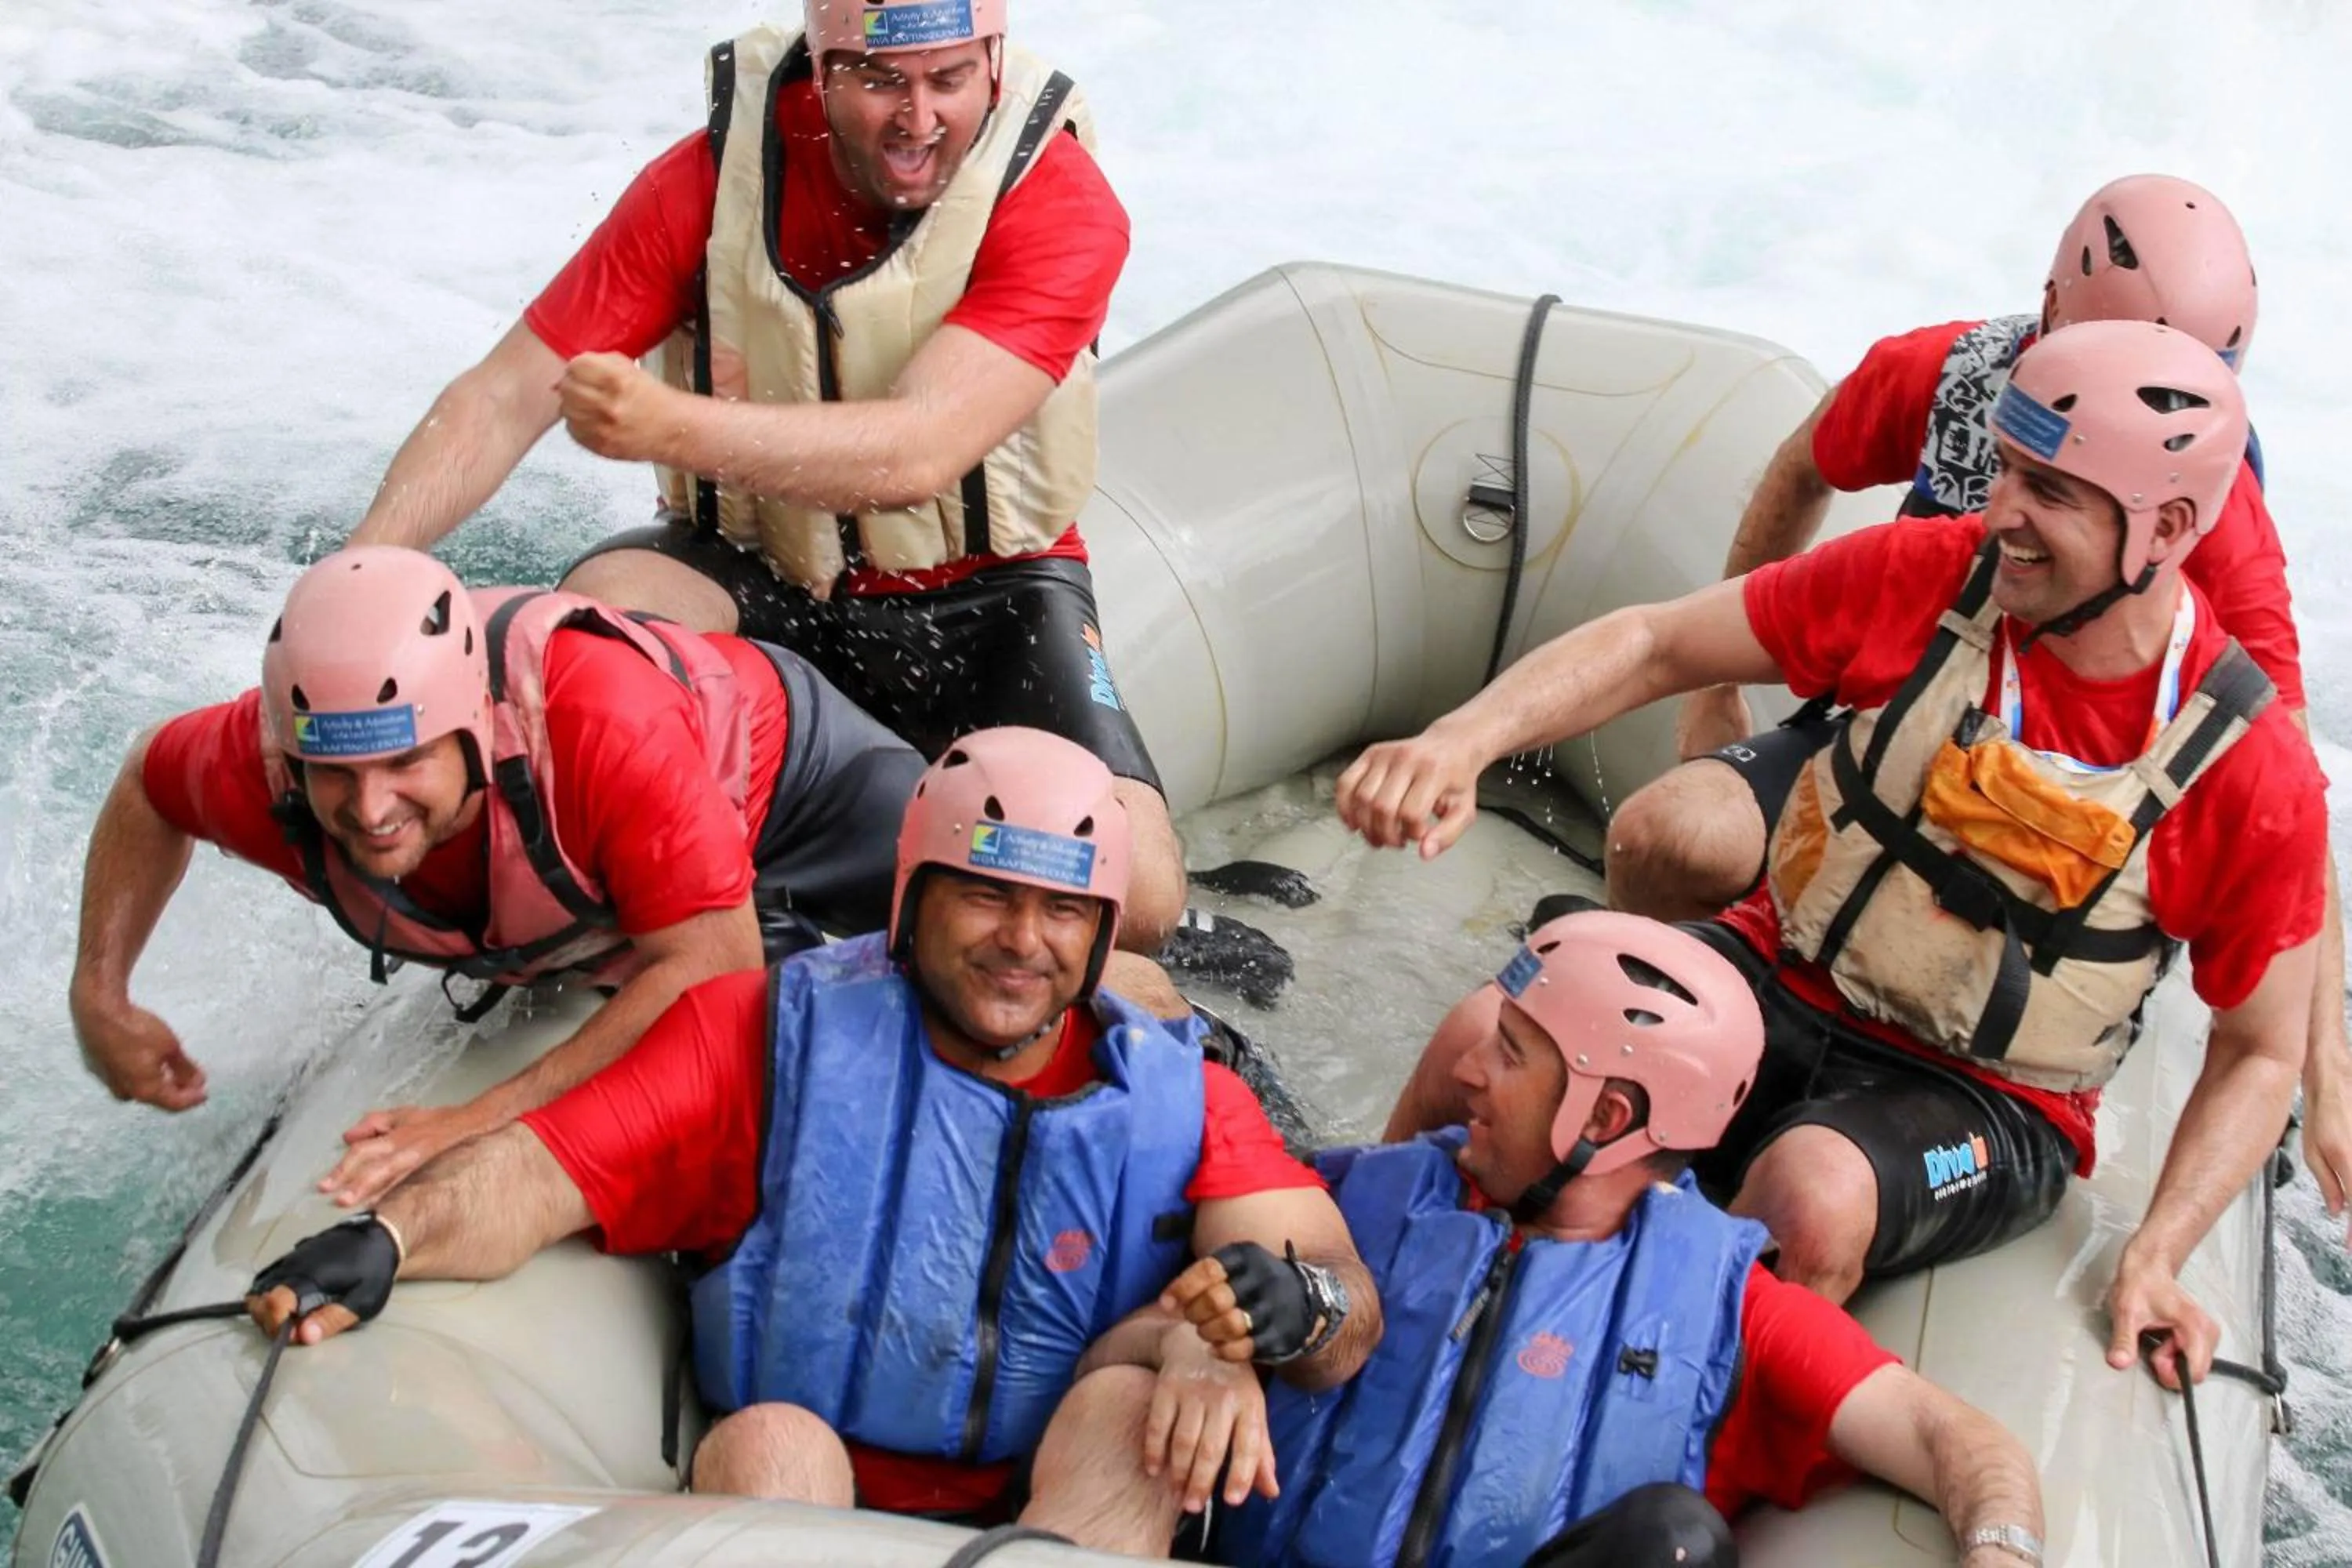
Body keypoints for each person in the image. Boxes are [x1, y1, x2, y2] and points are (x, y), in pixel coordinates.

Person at [1338, 320, 2327, 1391]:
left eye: (2050, 492)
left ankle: (1661, 1443)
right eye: (2003, 470)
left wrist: (2158, 1252)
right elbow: (1656, 641)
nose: (2000, 514)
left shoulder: (2248, 766)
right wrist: (1462, 742)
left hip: (1988, 1101)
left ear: (2170, 527)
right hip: (1780, 973)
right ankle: (1343, 1308)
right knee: (1484, 1032)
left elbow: (2260, 1051)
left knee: (1811, 1188)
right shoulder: (1936, 579)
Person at [243, 728, 1380, 1543]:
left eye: (1064, 911)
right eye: (986, 895)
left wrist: (1301, 1308)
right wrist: (388, 1239)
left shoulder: (1179, 1102)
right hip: (805, 1491)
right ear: (913, 893)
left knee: (1138, 1415)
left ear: (1097, 931)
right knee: (773, 1442)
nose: (1023, 943)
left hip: (1048, 1503)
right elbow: (544, 1171)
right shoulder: (763, 1037)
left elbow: (1337, 1300)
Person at [342, 0, 1187, 956]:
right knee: (596, 614)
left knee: (1143, 896)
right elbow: (501, 397)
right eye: (880, 82)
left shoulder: (1057, 197)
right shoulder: (710, 182)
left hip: (984, 597)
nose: (918, 120)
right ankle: (668, 889)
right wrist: (357, 583)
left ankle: (827, 875)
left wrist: (670, 427)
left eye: (949, 80)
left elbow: (918, 453)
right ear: (821, 73)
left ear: (994, 62)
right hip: (756, 566)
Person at [1605, 176, 2352, 1232]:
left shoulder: (2208, 516)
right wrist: (1714, 695)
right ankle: (1668, 1052)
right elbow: (1802, 467)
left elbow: (2287, 798)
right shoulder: (1948, 373)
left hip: (2069, 842)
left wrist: (2326, 1064)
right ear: (2049, 316)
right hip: (1878, 741)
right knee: (1666, 834)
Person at [1186, 913, 2044, 1568]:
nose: (1466, 1069)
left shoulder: (1739, 1313)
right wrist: (1208, 1349)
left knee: (1674, 1538)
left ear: (1606, 1117)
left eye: (1512, 1052)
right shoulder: (1351, 1201)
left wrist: (2001, 1550)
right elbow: (1171, 1271)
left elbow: (1959, 1441)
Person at [71, 546, 921, 1207]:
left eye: (406, 760)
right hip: (647, 885)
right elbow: (148, 782)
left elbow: (714, 960)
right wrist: (100, 991)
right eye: (335, 771)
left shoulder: (598, 720)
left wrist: (479, 1116)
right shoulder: (259, 764)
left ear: (477, 731)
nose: (370, 808)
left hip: (799, 789)